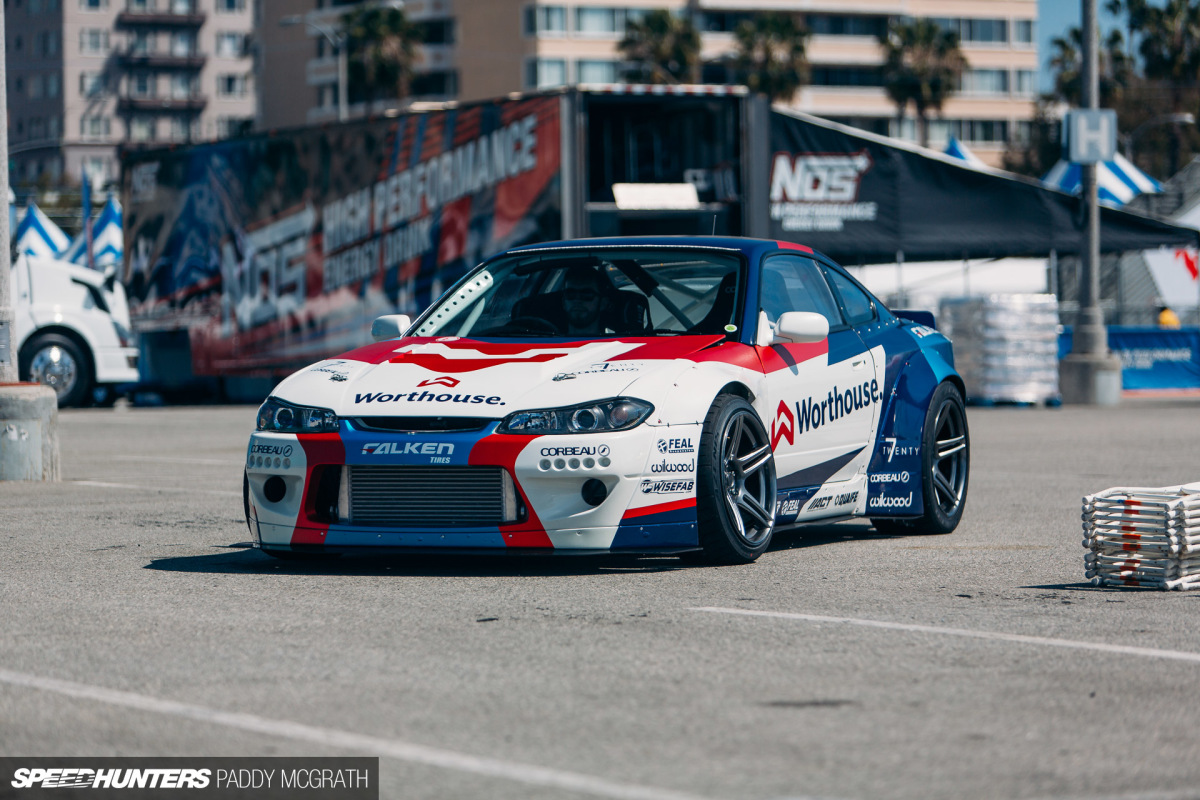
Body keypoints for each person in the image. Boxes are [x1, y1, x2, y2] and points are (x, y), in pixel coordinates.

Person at [560, 265, 612, 336]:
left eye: (587, 294)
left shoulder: (620, 343)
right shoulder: (546, 341)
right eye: (570, 294)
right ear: (563, 302)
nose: (577, 300)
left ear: (603, 303)